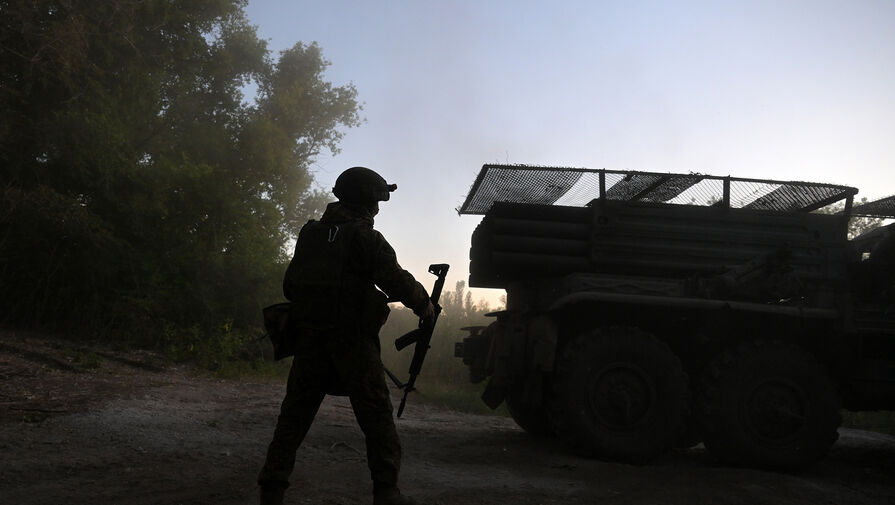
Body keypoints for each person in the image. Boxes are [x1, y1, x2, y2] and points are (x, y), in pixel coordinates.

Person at [258, 167, 434, 505]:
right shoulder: (365, 238)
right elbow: (395, 279)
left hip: (310, 341)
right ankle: (387, 492)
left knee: (293, 417)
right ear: (368, 202)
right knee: (377, 417)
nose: (379, 209)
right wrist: (424, 304)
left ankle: (271, 488)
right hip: (352, 344)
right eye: (378, 202)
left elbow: (290, 285)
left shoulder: (309, 234)